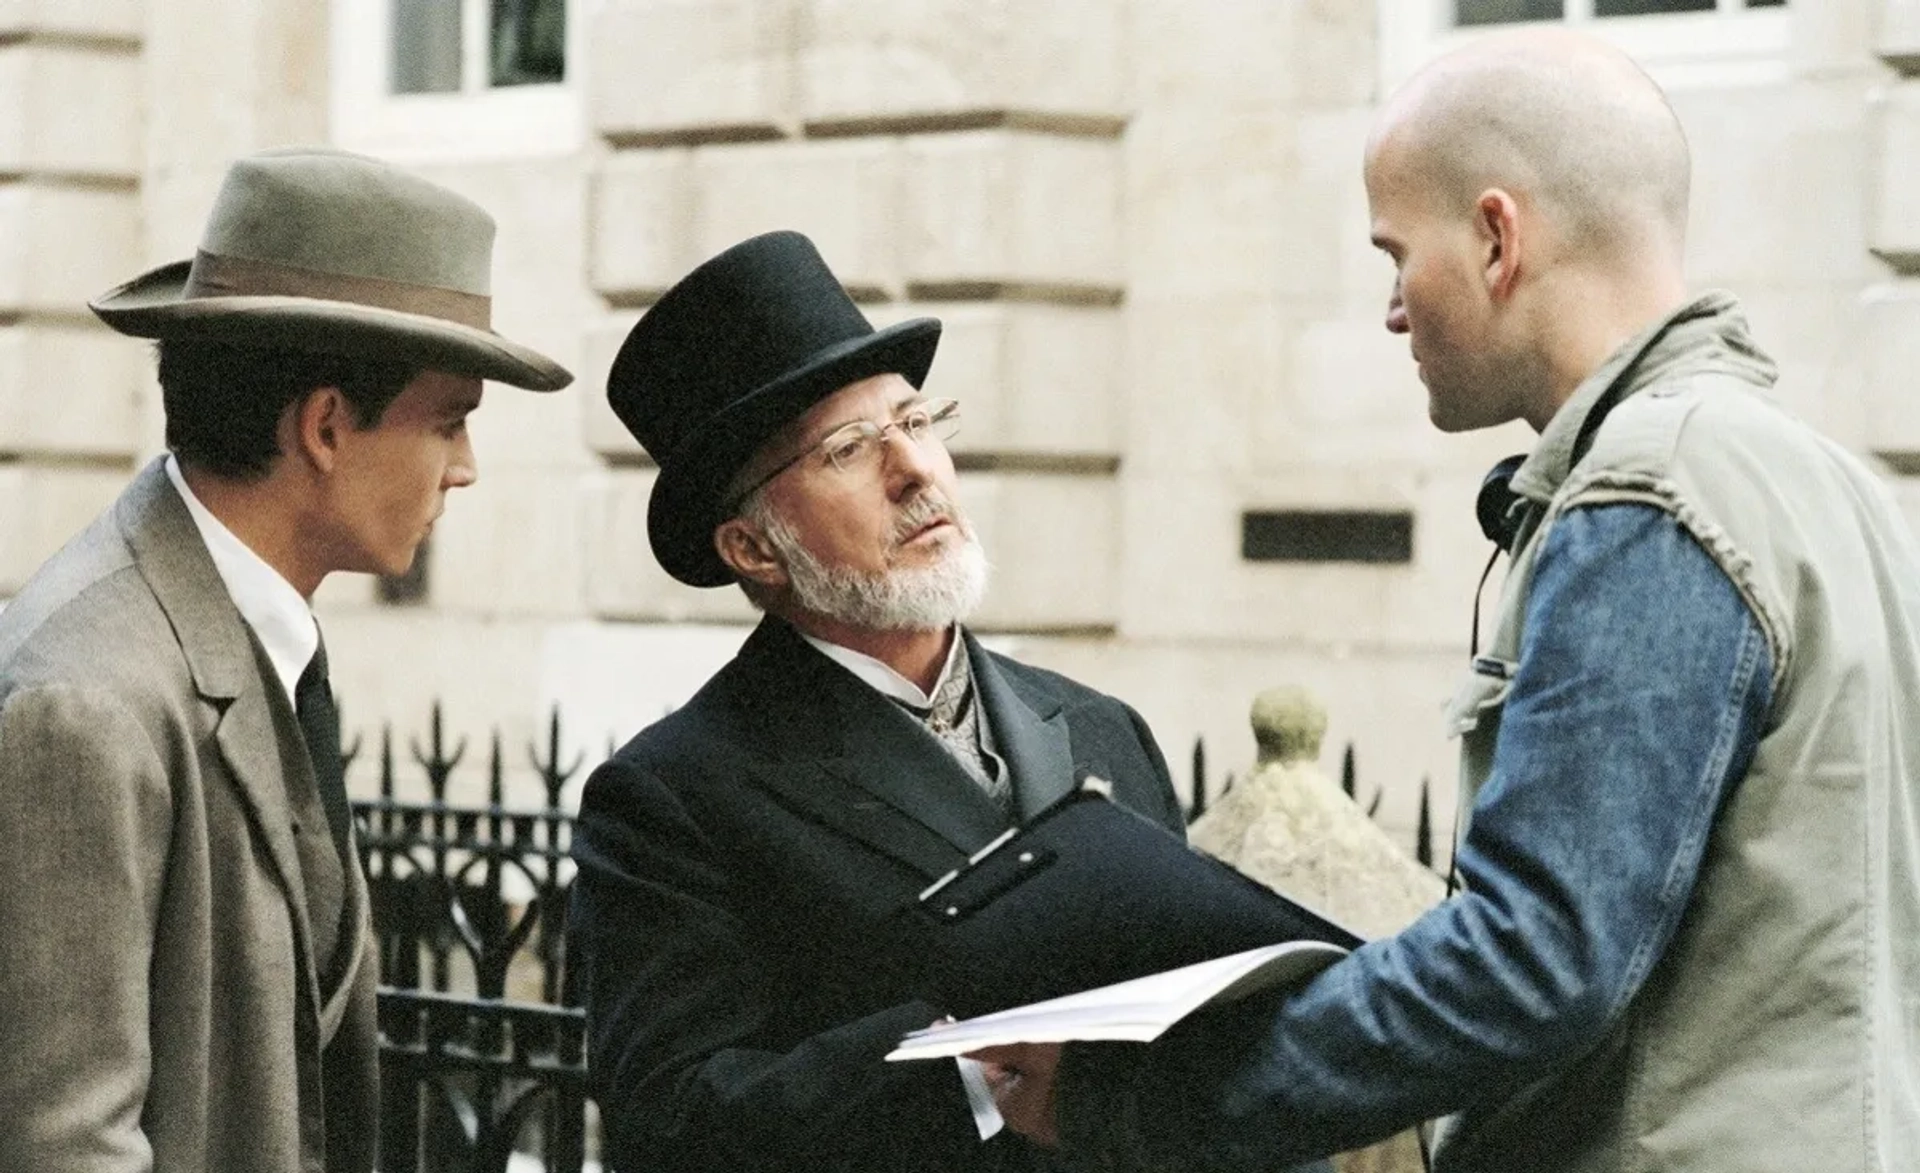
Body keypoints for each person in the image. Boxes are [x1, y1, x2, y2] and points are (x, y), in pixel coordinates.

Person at [976, 27, 1920, 1173]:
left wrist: (1141, 1095)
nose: (1390, 309)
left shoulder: (1649, 491)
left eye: (1395, 254)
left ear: (1494, 236)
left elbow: (1533, 961)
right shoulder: (1834, 486)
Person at [564, 230, 1191, 1173]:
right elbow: (676, 1126)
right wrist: (972, 1054)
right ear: (754, 550)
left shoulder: (1106, 730)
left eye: (918, 421)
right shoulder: (671, 797)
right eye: (850, 449)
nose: (916, 471)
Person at [0, 147, 570, 1172]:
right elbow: (63, 1145)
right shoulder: (87, 698)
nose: (467, 469)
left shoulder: (250, 631)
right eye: (450, 423)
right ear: (324, 427)